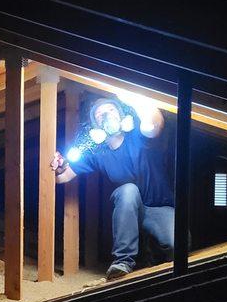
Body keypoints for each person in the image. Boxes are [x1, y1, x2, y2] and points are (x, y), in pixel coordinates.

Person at [50, 97, 175, 279]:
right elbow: (62, 177)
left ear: (122, 115)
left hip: (159, 207)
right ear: (95, 126)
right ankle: (122, 262)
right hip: (128, 208)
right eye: (100, 114)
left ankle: (164, 265)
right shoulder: (98, 152)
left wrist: (132, 95)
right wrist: (57, 166)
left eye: (111, 110)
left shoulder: (139, 136)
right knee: (128, 190)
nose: (107, 115)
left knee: (176, 244)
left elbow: (154, 125)